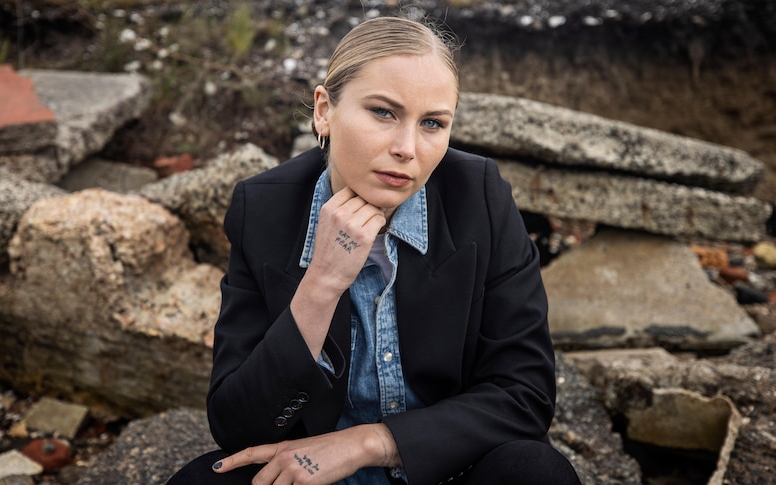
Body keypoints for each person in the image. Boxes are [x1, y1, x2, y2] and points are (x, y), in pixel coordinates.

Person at [167, 15, 580, 485]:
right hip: (312, 479)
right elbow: (237, 425)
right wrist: (320, 284)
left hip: (447, 469)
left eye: (432, 123)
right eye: (384, 112)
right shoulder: (262, 208)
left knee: (537, 474)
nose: (407, 148)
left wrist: (370, 443)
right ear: (324, 110)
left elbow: (524, 395)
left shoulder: (480, 197)